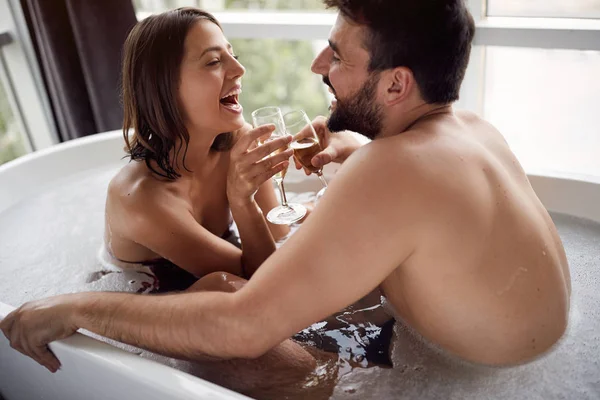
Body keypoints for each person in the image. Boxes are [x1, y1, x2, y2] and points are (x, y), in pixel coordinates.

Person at [1, 0, 571, 380]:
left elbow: (244, 321)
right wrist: (353, 155)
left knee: (235, 303)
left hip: (472, 374)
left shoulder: (390, 169)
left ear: (397, 83)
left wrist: (72, 308)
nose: (319, 65)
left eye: (339, 55)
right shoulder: (473, 128)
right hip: (527, 364)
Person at [104, 7, 292, 288]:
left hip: (230, 283)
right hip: (146, 292)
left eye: (233, 56)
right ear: (163, 87)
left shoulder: (236, 140)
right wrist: (241, 201)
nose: (239, 70)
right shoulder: (140, 198)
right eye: (214, 62)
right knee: (220, 284)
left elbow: (279, 232)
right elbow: (260, 286)